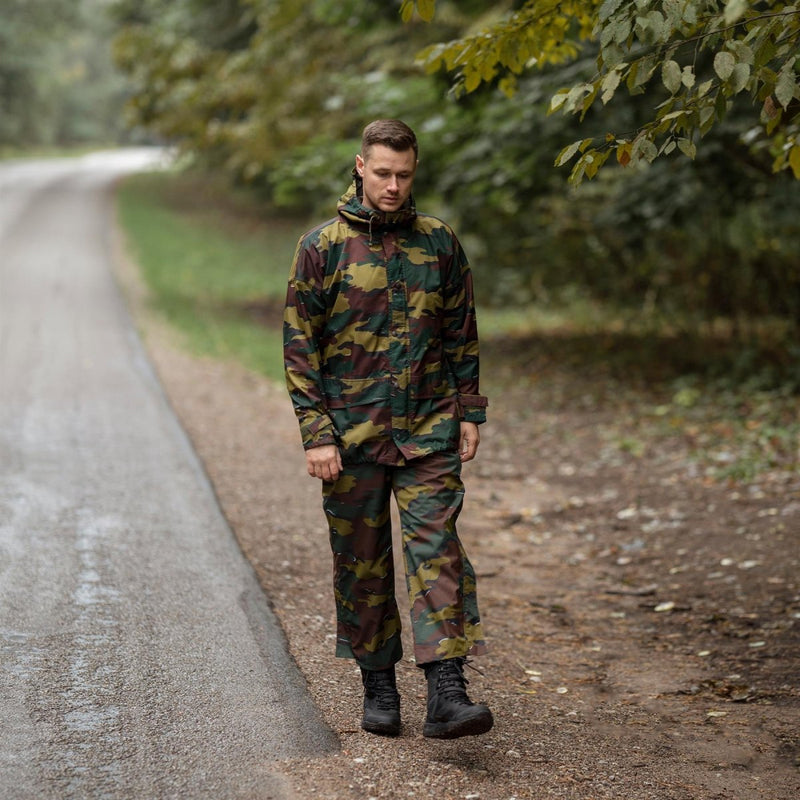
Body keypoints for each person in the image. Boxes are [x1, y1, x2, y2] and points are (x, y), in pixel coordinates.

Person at [283, 119, 492, 739]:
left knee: (437, 551)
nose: (393, 186)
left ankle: (446, 692)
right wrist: (316, 431)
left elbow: (461, 331)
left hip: (429, 427)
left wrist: (470, 411)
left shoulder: (440, 243)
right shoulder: (321, 247)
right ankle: (378, 684)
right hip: (351, 437)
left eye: (404, 175)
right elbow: (301, 348)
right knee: (362, 561)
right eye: (382, 173)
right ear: (359, 166)